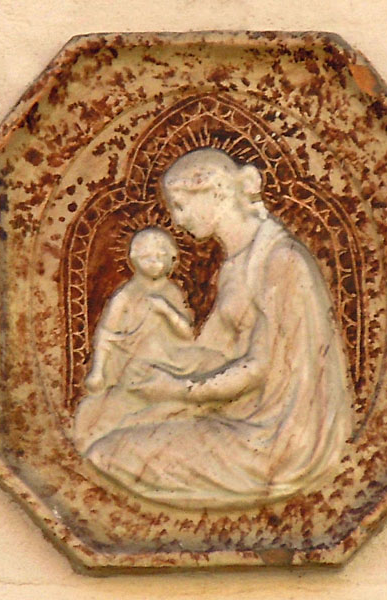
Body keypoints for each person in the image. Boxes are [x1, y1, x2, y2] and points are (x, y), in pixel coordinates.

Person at [80, 148, 353, 509]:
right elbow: (212, 354)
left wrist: (178, 389)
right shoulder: (236, 264)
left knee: (108, 453)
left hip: (273, 438)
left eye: (181, 206)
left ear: (215, 193)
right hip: (231, 412)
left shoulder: (280, 260)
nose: (177, 221)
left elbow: (258, 368)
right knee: (106, 420)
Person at [73, 227, 224, 453]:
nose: (155, 263)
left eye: (161, 257)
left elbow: (187, 333)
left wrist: (167, 311)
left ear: (172, 259)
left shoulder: (172, 292)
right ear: (134, 259)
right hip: (139, 363)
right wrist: (98, 372)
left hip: (172, 357)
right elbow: (106, 335)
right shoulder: (125, 296)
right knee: (160, 384)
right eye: (148, 257)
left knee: (213, 361)